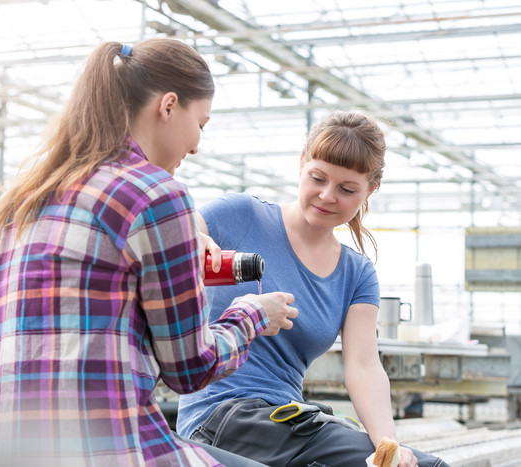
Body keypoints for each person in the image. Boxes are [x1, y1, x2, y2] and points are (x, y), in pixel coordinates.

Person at [0, 38, 297, 467]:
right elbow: (191, 368)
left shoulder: (23, 201)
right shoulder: (157, 196)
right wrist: (252, 314)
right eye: (202, 123)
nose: (196, 146)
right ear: (169, 106)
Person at [177, 112, 449, 467]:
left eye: (347, 189)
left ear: (372, 188)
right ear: (301, 163)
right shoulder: (243, 215)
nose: (326, 196)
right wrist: (193, 239)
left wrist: (388, 445)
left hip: (288, 423)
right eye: (317, 178)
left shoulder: (357, 273)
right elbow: (184, 229)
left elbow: (364, 365)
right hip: (219, 418)